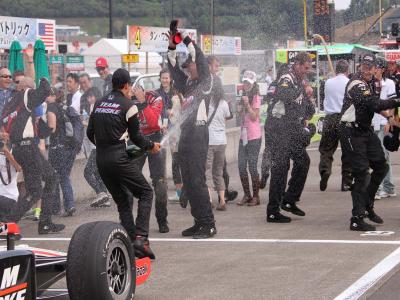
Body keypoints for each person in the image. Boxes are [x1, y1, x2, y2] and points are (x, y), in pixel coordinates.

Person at [87, 68, 160, 259]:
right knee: (145, 192)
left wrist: (105, 146)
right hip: (118, 158)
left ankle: (129, 242)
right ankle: (141, 239)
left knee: (123, 200)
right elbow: (136, 138)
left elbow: (89, 133)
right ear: (127, 85)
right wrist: (151, 146)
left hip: (101, 160)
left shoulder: (99, 103)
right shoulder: (129, 106)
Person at [167, 29, 223, 238]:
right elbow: (173, 68)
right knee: (188, 182)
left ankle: (209, 224)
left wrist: (184, 37)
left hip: (200, 136)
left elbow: (198, 56)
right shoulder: (189, 84)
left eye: (189, 66)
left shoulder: (206, 82)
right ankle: (198, 221)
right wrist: (172, 44)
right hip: (186, 137)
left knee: (198, 181)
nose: (187, 70)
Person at [339, 54, 400, 231]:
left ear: (375, 68)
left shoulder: (371, 82)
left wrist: (390, 117)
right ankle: (356, 218)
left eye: (370, 66)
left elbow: (373, 106)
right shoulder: (357, 83)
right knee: (362, 173)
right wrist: (397, 100)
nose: (366, 69)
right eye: (364, 66)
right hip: (350, 131)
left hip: (365, 129)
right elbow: (374, 104)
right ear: (360, 67)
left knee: (382, 166)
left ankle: (367, 206)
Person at [1, 76, 64, 234]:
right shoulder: (25, 94)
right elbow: (43, 90)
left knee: (37, 188)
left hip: (20, 149)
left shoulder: (10, 104)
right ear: (26, 88)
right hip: (28, 148)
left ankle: (13, 224)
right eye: (31, 88)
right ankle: (42, 223)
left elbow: (42, 130)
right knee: (45, 183)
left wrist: (45, 127)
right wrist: (43, 79)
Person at [266, 52, 314, 223]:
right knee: (280, 168)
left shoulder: (300, 80)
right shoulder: (287, 77)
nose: (307, 72)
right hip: (279, 129)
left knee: (303, 162)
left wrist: (308, 99)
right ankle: (273, 211)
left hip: (291, 130)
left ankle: (289, 200)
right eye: (306, 68)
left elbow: (309, 109)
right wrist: (301, 90)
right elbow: (283, 95)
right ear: (298, 64)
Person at [134, 87, 170, 234]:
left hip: (155, 137)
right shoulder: (127, 100)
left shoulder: (155, 98)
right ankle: (130, 222)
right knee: (129, 178)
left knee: (160, 183)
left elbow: (153, 122)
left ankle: (162, 220)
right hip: (137, 139)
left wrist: (142, 102)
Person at [207, 56, 238, 203]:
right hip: (222, 141)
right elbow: (227, 117)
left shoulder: (207, 103)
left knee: (206, 173)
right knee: (218, 172)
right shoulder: (224, 103)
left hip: (210, 141)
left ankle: (210, 200)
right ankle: (222, 200)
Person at [319, 60, 353, 192]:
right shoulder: (349, 82)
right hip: (344, 118)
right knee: (347, 151)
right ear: (347, 70)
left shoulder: (328, 82)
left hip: (330, 117)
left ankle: (325, 170)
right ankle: (346, 182)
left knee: (326, 149)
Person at [46, 87, 80, 217]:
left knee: (55, 177)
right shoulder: (65, 108)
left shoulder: (51, 108)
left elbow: (52, 128)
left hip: (58, 148)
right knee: (64, 176)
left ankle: (57, 208)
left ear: (53, 96)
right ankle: (69, 205)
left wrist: (40, 128)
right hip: (70, 148)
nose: (45, 97)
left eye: (47, 95)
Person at [79, 73, 110, 208]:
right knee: (97, 172)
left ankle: (101, 193)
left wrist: (85, 123)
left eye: (92, 96)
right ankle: (105, 197)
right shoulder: (92, 107)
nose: (90, 98)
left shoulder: (99, 108)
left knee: (88, 172)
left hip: (99, 147)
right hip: (96, 147)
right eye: (89, 96)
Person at [371, 58, 397, 200]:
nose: (373, 70)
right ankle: (388, 187)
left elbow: (392, 104)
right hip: (372, 123)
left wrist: (390, 120)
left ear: (381, 69)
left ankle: (382, 187)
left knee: (382, 155)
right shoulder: (370, 83)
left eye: (375, 67)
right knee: (381, 155)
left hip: (383, 122)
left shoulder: (389, 83)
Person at [236, 71, 262, 207]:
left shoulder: (256, 97)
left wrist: (247, 105)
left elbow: (254, 117)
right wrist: (239, 107)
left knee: (252, 166)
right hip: (243, 136)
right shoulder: (243, 95)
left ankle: (256, 196)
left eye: (248, 83)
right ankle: (247, 194)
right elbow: (239, 114)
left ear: (253, 84)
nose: (246, 85)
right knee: (241, 166)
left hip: (254, 136)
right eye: (244, 82)